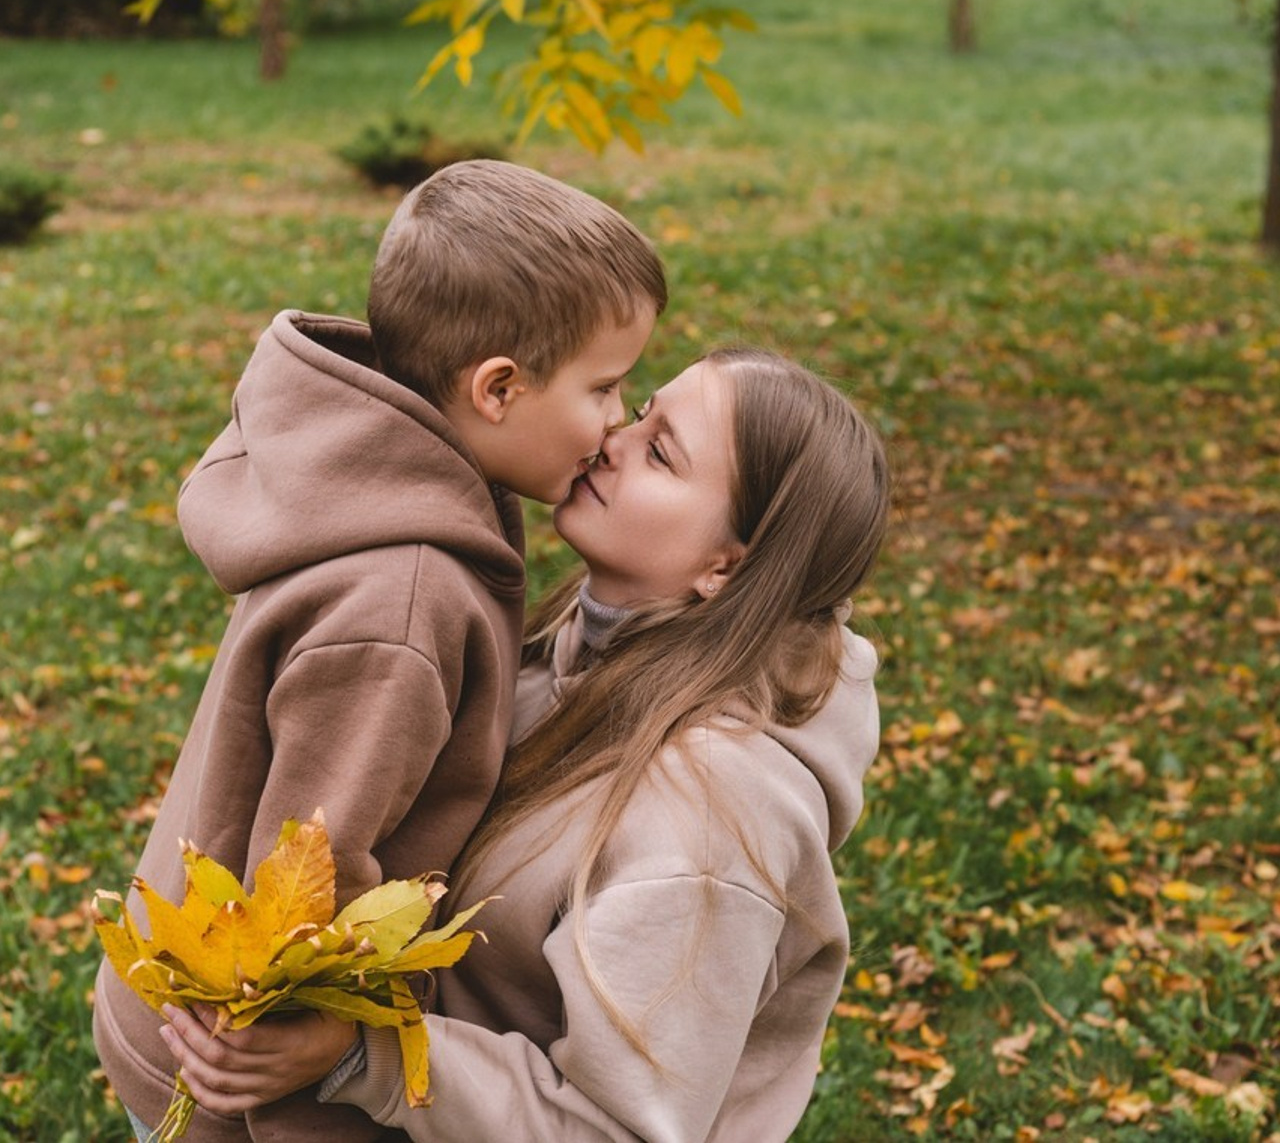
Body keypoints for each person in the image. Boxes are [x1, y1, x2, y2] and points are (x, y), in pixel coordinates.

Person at [158, 346, 891, 1142]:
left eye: (661, 453)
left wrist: (361, 1052)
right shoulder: (576, 644)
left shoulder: (709, 825)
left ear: (725, 567)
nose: (613, 433)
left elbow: (614, 1129)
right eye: (642, 408)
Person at [93, 160, 667, 1143]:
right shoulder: (402, 599)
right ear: (497, 388)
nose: (619, 418)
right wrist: (305, 1089)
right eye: (604, 385)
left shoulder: (385, 475)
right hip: (228, 1064)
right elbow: (304, 876)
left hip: (179, 1010)